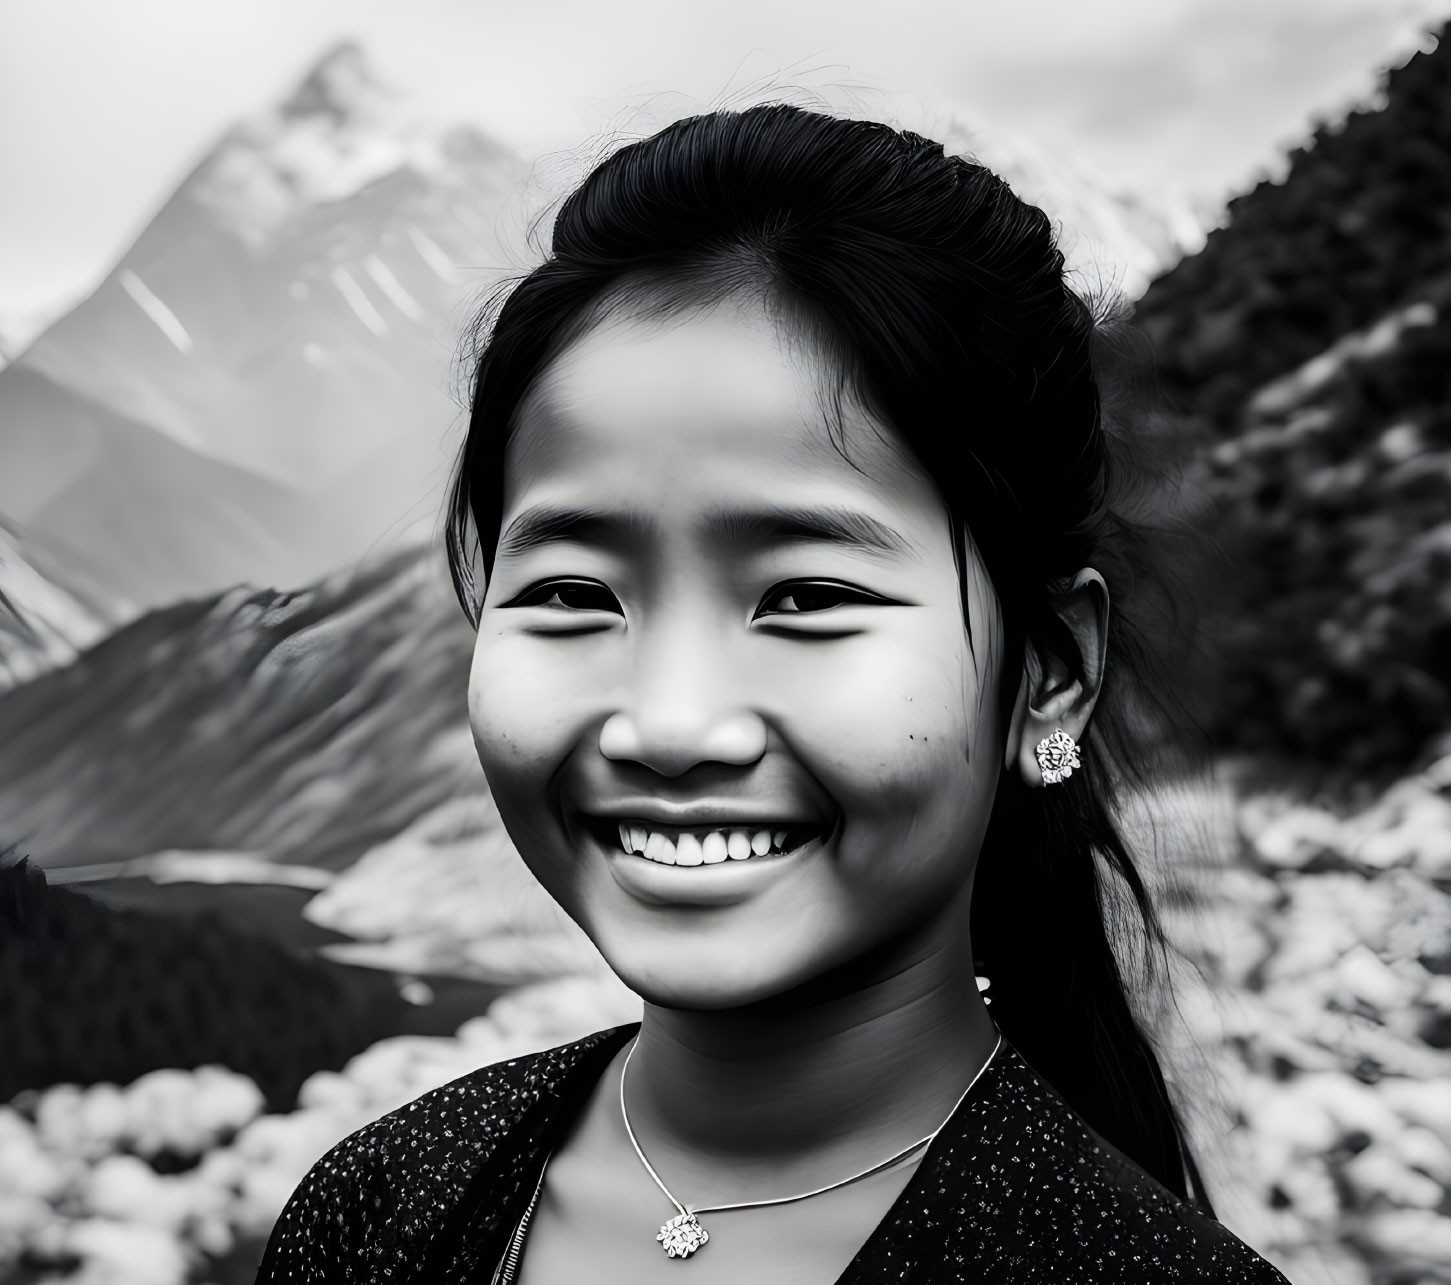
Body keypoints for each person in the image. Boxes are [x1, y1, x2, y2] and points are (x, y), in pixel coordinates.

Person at [255, 103, 1288, 1283]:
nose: (670, 725)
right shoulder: (380, 1211)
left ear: (1049, 673)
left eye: (802, 599)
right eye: (576, 594)